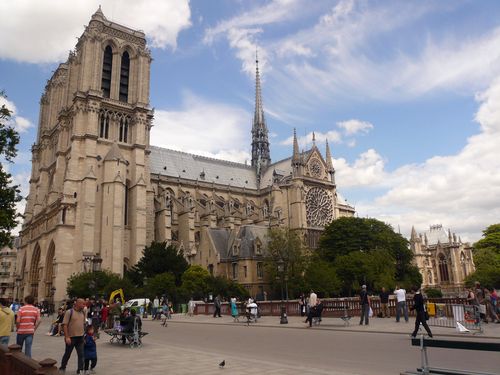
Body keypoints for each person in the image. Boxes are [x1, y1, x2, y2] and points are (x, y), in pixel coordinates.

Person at [59, 298, 86, 374]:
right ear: (77, 303)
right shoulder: (69, 312)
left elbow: (83, 324)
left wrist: (84, 335)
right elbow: (64, 325)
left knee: (81, 354)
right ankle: (62, 367)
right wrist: (67, 337)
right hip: (71, 337)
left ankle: (80, 370)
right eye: (83, 304)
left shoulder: (83, 312)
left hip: (80, 337)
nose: (84, 305)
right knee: (67, 354)